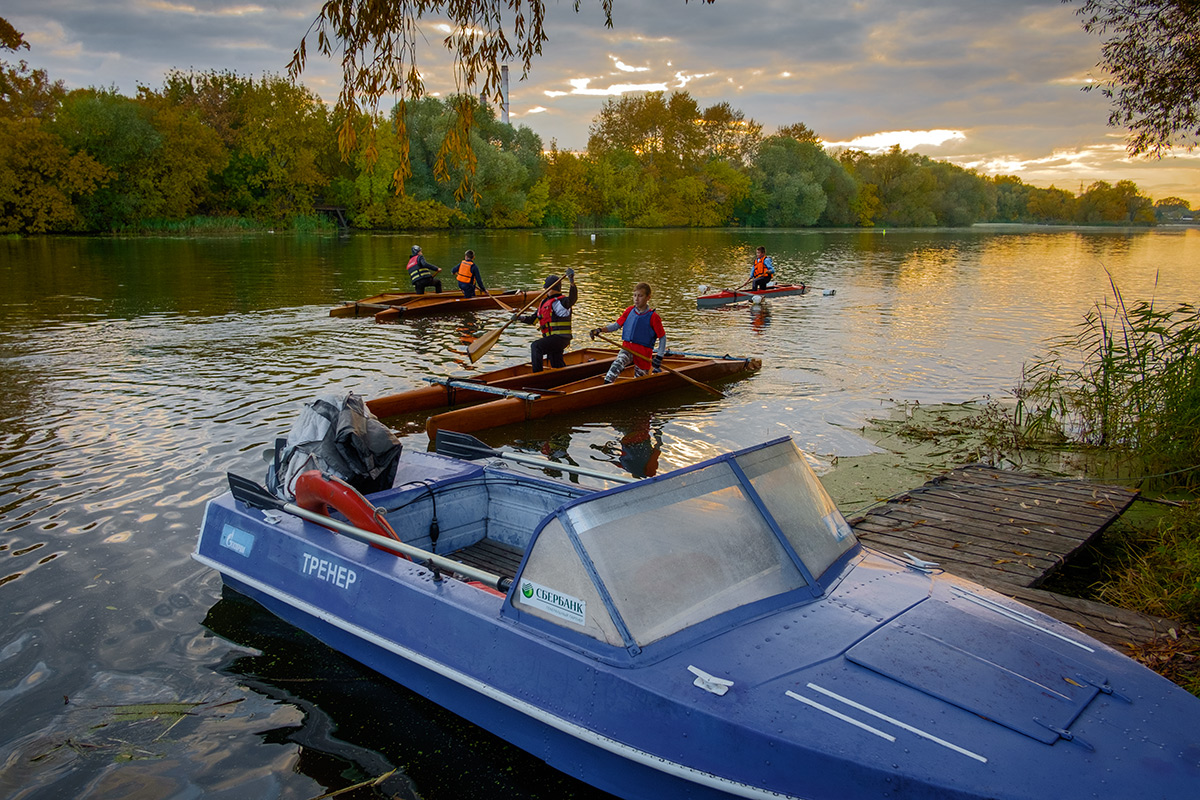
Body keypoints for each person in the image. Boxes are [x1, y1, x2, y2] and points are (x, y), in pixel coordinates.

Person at [588, 282, 666, 383]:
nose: (636, 299)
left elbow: (662, 337)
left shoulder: (654, 317)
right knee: (616, 365)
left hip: (643, 353)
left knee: (640, 381)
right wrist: (599, 330)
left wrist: (659, 356)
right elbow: (616, 326)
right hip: (627, 348)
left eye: (640, 296)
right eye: (635, 295)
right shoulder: (629, 311)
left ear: (648, 298)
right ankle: (606, 385)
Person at [520, 269, 577, 372]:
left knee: (536, 346)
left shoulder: (562, 302)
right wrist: (520, 318)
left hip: (560, 338)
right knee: (555, 362)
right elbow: (533, 320)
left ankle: (537, 375)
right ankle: (564, 374)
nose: (544, 289)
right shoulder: (544, 303)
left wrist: (572, 282)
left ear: (552, 288)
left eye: (546, 287)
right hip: (551, 339)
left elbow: (572, 299)